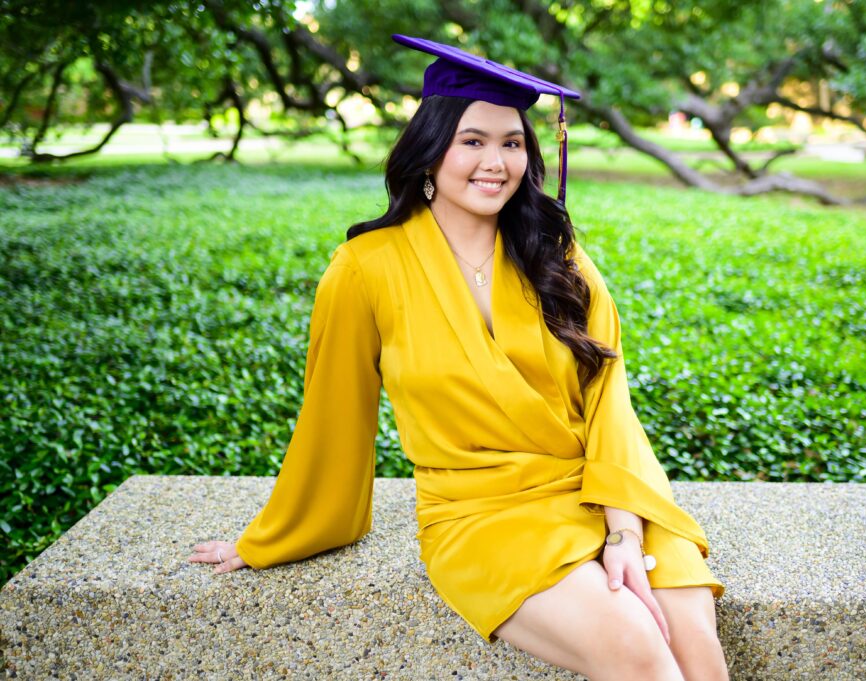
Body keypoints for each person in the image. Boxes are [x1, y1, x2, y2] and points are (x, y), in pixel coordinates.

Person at [188, 34, 729, 680]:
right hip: (484, 517)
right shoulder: (366, 269)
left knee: (695, 642)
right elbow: (334, 415)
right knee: (637, 646)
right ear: (430, 147)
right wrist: (271, 537)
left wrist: (625, 531)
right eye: (472, 140)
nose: (495, 161)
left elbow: (609, 399)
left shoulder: (556, 258)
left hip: (608, 492)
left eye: (511, 142)